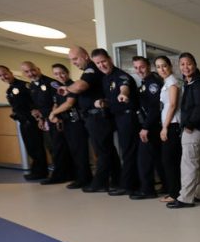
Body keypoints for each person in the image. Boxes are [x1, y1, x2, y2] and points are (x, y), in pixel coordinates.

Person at [58, 46, 120, 193]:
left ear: (85, 56)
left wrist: (67, 89)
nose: (73, 62)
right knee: (107, 150)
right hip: (94, 116)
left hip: (97, 117)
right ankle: (117, 180)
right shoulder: (89, 71)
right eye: (71, 60)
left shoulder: (91, 70)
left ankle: (100, 183)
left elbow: (80, 86)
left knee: (102, 151)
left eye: (75, 59)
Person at [91, 48, 140, 196]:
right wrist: (103, 102)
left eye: (103, 61)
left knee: (128, 152)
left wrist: (123, 94)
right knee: (119, 151)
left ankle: (128, 185)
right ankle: (124, 181)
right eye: (98, 63)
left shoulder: (121, 75)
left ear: (110, 59)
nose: (101, 65)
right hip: (116, 117)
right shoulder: (105, 78)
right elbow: (111, 97)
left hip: (127, 117)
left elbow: (124, 88)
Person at [166, 52, 200, 209]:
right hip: (198, 128)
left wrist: (189, 125)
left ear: (195, 65)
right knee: (198, 163)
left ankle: (185, 198)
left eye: (189, 63)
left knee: (188, 164)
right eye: (182, 64)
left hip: (195, 129)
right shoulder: (189, 82)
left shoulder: (199, 84)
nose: (186, 67)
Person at [20, 61, 74, 185]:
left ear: (38, 69)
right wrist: (40, 119)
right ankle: (63, 173)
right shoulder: (32, 86)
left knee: (58, 148)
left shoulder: (52, 83)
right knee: (53, 147)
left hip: (56, 119)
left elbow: (59, 101)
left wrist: (54, 116)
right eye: (27, 72)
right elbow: (38, 105)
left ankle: (60, 175)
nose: (30, 73)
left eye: (32, 70)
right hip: (46, 120)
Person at [0, 65, 48, 180]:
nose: (3, 77)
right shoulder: (10, 89)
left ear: (10, 72)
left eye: (5, 73)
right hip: (23, 122)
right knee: (31, 148)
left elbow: (35, 101)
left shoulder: (24, 86)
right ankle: (37, 170)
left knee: (36, 147)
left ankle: (41, 172)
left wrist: (38, 116)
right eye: (0, 75)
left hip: (32, 121)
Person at [48, 63, 92, 189]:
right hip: (65, 123)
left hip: (76, 123)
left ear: (67, 72)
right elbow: (56, 103)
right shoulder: (58, 89)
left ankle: (84, 179)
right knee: (72, 152)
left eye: (62, 72)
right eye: (56, 74)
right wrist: (54, 113)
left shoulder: (73, 86)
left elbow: (69, 104)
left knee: (80, 152)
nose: (60, 76)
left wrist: (53, 113)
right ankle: (76, 176)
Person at [129, 56, 164, 200]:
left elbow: (154, 108)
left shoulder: (152, 83)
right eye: (136, 68)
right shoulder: (145, 82)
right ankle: (166, 185)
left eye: (142, 67)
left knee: (144, 159)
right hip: (151, 125)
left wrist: (146, 127)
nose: (139, 70)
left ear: (149, 67)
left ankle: (147, 189)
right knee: (157, 158)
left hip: (152, 126)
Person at [155, 55, 183, 203]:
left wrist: (164, 127)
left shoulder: (172, 82)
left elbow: (172, 105)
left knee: (169, 160)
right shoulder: (166, 82)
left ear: (170, 67)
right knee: (170, 160)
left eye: (164, 66)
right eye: (158, 67)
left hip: (172, 125)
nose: (162, 69)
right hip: (168, 124)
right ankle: (174, 191)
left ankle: (175, 193)